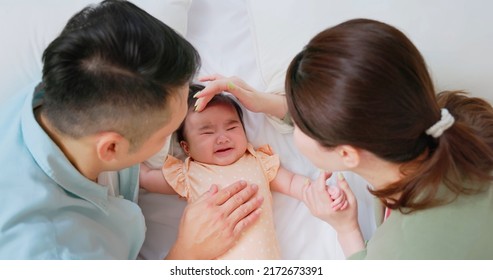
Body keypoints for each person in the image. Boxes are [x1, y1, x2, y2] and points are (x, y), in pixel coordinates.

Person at [195, 19, 493, 259]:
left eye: (299, 123)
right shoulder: (460, 115)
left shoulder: (401, 253)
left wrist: (346, 229)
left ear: (347, 155)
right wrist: (265, 101)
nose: (293, 123)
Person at [0, 0, 264, 260]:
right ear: (112, 148)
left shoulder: (68, 80)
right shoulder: (55, 253)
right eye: (166, 135)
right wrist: (186, 253)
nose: (171, 141)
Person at [139, 84, 347, 259]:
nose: (222, 138)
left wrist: (318, 191)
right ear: (186, 148)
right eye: (207, 132)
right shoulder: (187, 173)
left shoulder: (258, 161)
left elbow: (293, 183)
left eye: (231, 128)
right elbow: (147, 178)